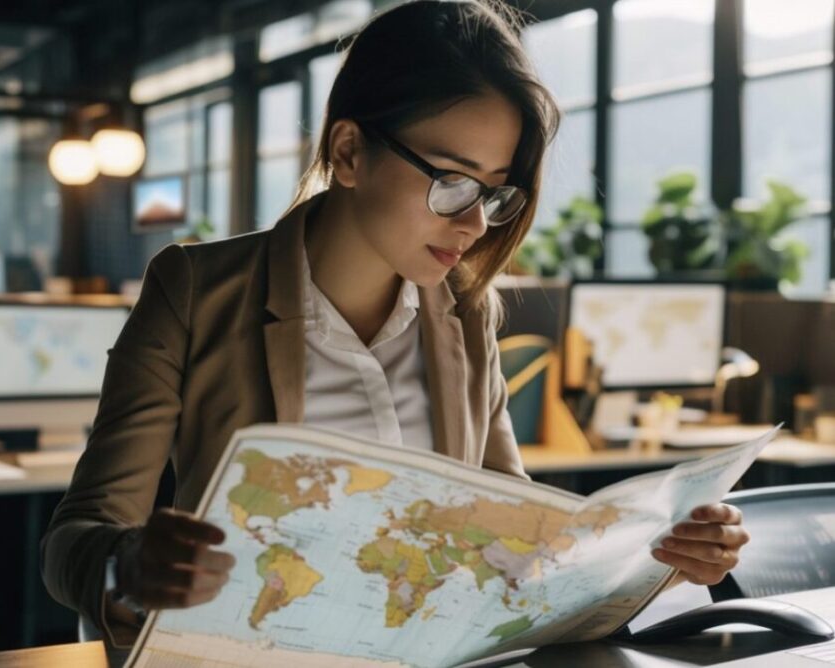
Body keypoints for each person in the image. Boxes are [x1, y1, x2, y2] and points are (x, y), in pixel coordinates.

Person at [41, 0, 750, 648]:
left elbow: (519, 550)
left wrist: (658, 556)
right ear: (349, 152)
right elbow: (75, 539)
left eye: (496, 193)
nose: (475, 224)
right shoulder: (197, 290)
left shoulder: (466, 316)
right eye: (451, 182)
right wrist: (128, 567)